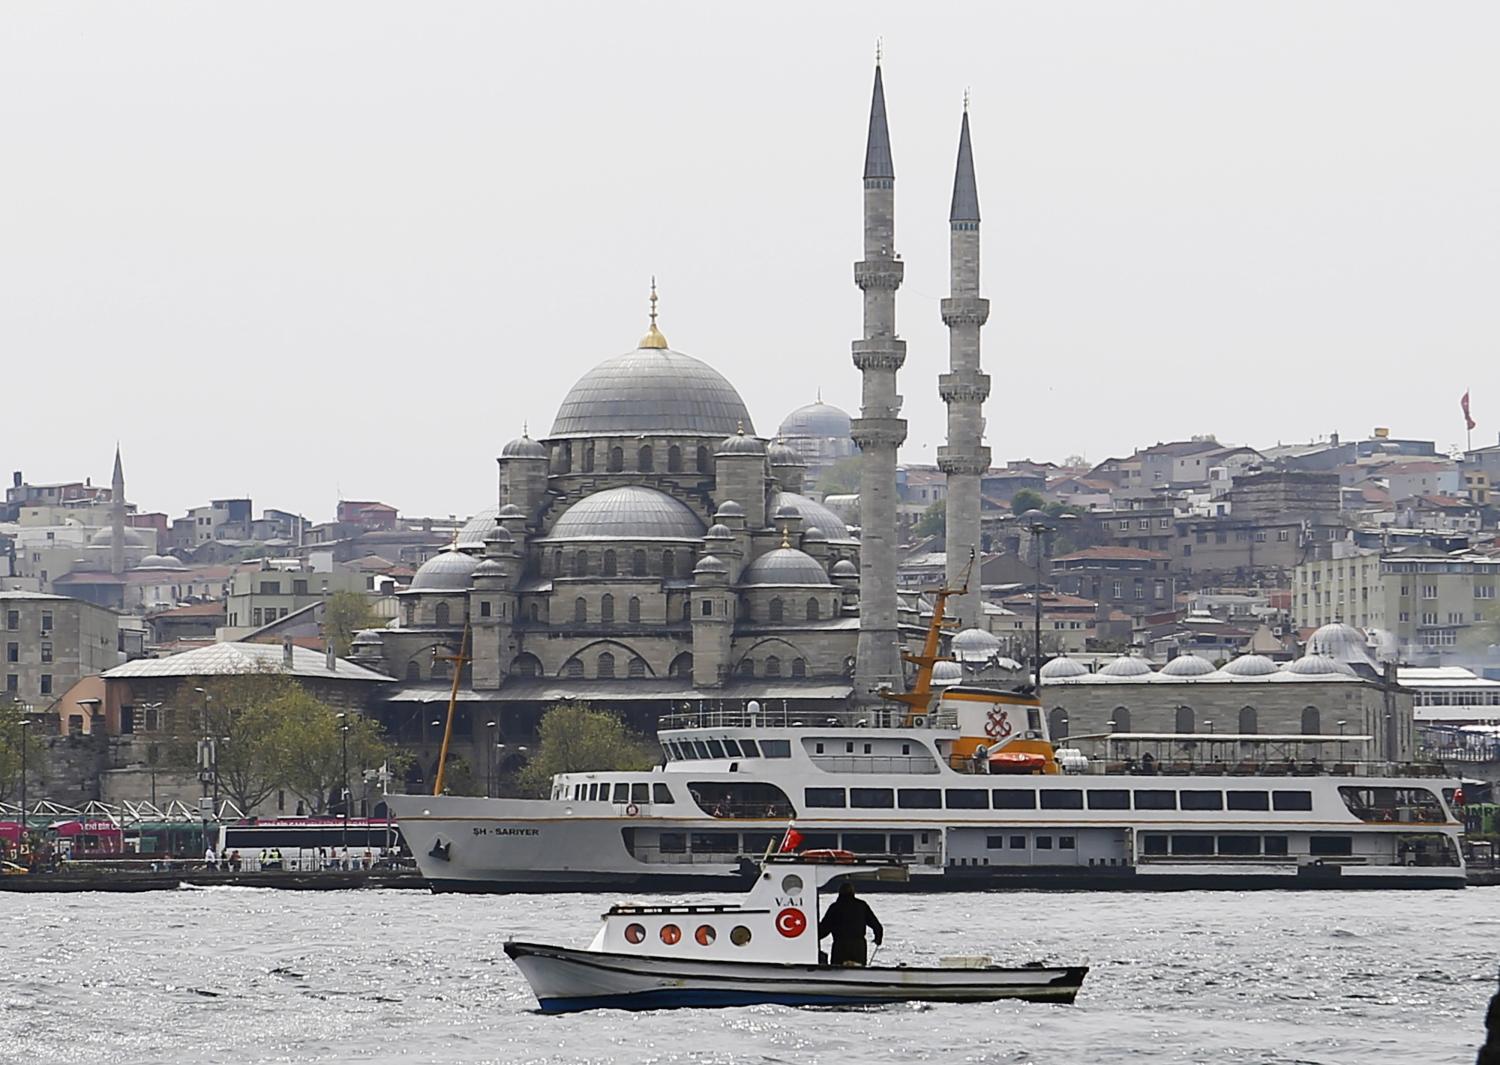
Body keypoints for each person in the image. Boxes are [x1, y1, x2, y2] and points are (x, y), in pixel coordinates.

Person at [817, 882, 883, 967]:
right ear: (853, 892)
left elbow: (824, 929)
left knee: (838, 973)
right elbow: (876, 926)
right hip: (858, 948)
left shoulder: (835, 907)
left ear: (839, 893)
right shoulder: (861, 906)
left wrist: (812, 939)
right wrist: (878, 939)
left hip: (840, 947)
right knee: (858, 972)